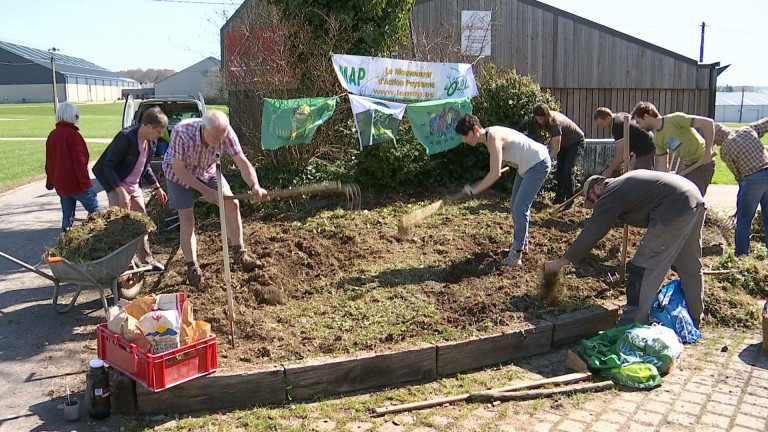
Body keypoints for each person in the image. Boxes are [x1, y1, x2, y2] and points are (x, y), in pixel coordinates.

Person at [544, 170, 705, 327]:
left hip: (674, 207)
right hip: (693, 198)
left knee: (643, 268)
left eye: (592, 200)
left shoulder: (610, 193)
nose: (595, 205)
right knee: (689, 266)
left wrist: (561, 262)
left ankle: (628, 325)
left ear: (597, 187)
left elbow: (593, 231)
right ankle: (695, 318)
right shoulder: (624, 185)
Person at [162, 110, 267, 287]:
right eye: (215, 137)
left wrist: (254, 185)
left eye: (222, 136)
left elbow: (241, 161)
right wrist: (206, 191)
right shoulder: (182, 132)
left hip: (207, 171)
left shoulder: (226, 133)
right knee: (187, 217)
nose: (219, 141)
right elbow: (180, 170)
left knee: (232, 203)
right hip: (178, 175)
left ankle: (240, 254)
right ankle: (192, 267)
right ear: (203, 128)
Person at [455, 114, 552, 267]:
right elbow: (498, 167)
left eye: (465, 136)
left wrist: (474, 190)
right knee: (515, 205)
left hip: (538, 164)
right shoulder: (489, 139)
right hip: (525, 167)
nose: (464, 140)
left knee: (520, 207)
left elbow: (494, 173)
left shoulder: (493, 137)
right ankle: (522, 244)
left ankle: (516, 253)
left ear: (475, 130)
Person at [93, 106, 169, 272]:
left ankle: (147, 261)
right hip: (116, 185)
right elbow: (107, 166)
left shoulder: (151, 142)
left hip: (135, 188)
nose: (160, 135)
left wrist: (157, 187)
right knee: (120, 225)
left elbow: (145, 166)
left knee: (142, 223)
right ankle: (122, 265)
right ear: (148, 126)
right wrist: (120, 191)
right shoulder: (125, 138)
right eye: (158, 130)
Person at [631, 101, 716, 196]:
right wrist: (658, 182)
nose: (640, 127)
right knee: (680, 197)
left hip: (703, 162)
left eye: (639, 122)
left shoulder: (675, 119)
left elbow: (708, 123)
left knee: (693, 198)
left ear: (646, 116)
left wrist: (708, 151)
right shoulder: (658, 139)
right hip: (688, 165)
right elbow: (662, 165)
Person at [714, 119, 768, 255]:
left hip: (751, 179)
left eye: (715, 141)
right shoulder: (748, 130)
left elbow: (738, 175)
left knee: (744, 220)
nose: (715, 144)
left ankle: (741, 254)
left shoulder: (725, 149)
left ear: (719, 136)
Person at [45, 102, 102, 230]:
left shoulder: (52, 135)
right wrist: (86, 184)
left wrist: (50, 183)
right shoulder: (73, 136)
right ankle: (97, 240)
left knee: (67, 217)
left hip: (62, 186)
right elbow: (79, 162)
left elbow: (49, 162)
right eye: (77, 117)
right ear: (73, 117)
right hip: (78, 185)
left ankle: (65, 242)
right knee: (97, 213)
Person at [532, 103, 584, 206]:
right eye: (537, 119)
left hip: (575, 141)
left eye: (541, 119)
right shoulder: (546, 120)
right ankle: (559, 198)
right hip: (564, 143)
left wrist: (546, 160)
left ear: (546, 116)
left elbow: (556, 148)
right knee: (559, 170)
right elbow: (553, 141)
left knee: (566, 170)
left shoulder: (554, 123)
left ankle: (570, 199)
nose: (539, 121)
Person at [593, 107, 655, 176]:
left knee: (642, 176)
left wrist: (610, 170)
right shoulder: (620, 115)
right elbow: (631, 135)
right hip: (649, 140)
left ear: (608, 117)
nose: (603, 126)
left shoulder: (616, 126)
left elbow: (620, 151)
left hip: (645, 147)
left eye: (602, 123)